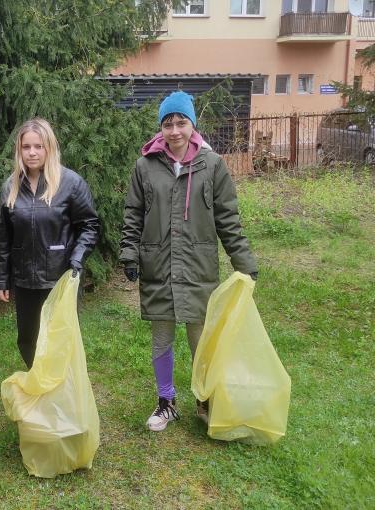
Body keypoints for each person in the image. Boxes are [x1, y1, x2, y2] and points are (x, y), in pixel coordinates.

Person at [119, 91, 258, 432]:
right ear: (161, 128)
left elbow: (228, 218)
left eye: (181, 122)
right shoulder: (145, 166)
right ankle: (166, 402)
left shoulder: (212, 165)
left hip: (198, 267)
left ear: (192, 124)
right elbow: (133, 214)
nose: (175, 130)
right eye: (168, 123)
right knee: (161, 338)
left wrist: (243, 260)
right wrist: (129, 252)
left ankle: (205, 399)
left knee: (202, 339)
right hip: (159, 266)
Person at [0, 118, 100, 368]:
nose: (32, 152)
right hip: (24, 279)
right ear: (19, 150)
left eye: (38, 146)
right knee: (28, 339)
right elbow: (3, 236)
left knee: (59, 338)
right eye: (26, 147)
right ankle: (37, 386)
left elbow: (90, 225)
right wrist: (1, 277)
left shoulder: (71, 183)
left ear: (49, 148)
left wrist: (76, 260)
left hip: (60, 276)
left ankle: (61, 392)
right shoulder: (10, 186)